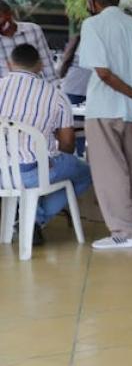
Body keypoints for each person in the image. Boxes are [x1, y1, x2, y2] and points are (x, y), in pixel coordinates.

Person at [77, 0, 132, 250]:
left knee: (110, 172)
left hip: (104, 109)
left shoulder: (93, 25)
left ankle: (125, 232)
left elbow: (102, 73)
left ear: (92, 2)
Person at [0, 43, 92, 248]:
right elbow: (67, 143)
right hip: (34, 172)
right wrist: (57, 157)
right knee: (85, 172)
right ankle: (34, 219)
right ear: (40, 65)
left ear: (9, 64)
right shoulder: (55, 95)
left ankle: (26, 217)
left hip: (1, 174)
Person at [0, 0, 57, 82]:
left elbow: (47, 66)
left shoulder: (33, 30)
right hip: (6, 89)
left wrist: (54, 87)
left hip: (35, 87)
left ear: (9, 14)